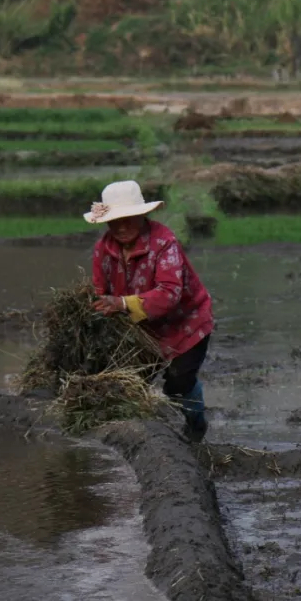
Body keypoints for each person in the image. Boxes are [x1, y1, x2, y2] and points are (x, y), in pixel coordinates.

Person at [84, 180, 214, 442]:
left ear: (143, 215)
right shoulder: (103, 249)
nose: (121, 227)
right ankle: (138, 437)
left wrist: (120, 304)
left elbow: (169, 293)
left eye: (128, 219)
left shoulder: (164, 243)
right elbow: (100, 290)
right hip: (141, 329)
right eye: (115, 220)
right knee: (127, 384)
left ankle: (197, 425)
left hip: (185, 324)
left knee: (178, 383)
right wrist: (97, 308)